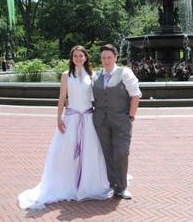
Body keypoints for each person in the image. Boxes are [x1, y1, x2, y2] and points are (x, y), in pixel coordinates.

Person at [18, 46, 110, 210]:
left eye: (81, 55)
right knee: (67, 153)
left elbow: (96, 98)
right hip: (71, 119)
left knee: (90, 152)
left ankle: (90, 184)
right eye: (75, 56)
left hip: (88, 119)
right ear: (71, 58)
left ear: (86, 57)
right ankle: (67, 184)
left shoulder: (92, 75)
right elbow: (62, 98)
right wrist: (58, 118)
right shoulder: (66, 75)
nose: (78, 58)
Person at [92, 44, 141, 199]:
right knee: (107, 153)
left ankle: (122, 187)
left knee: (121, 152)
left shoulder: (124, 73)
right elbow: (90, 98)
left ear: (115, 58)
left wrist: (131, 117)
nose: (106, 61)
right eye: (103, 58)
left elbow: (135, 95)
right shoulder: (96, 76)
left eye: (109, 57)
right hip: (101, 122)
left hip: (121, 121)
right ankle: (112, 185)